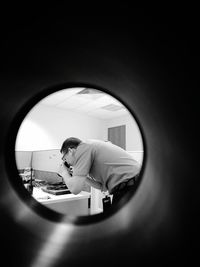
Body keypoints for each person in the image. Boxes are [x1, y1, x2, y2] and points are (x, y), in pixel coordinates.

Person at [58, 137, 141, 206]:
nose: (66, 163)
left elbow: (75, 189)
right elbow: (101, 187)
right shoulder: (89, 149)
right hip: (133, 185)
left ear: (70, 151)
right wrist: (84, 178)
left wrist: (64, 173)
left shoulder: (83, 148)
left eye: (64, 158)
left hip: (130, 186)